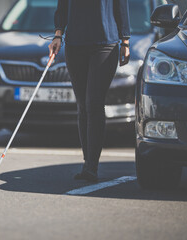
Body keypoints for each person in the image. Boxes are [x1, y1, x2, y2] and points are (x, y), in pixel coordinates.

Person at [48, 0, 131, 182]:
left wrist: (125, 41)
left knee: (94, 103)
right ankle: (87, 162)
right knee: (83, 106)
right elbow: (62, 7)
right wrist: (57, 35)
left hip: (105, 44)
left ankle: (92, 167)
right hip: (75, 45)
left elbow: (121, 6)